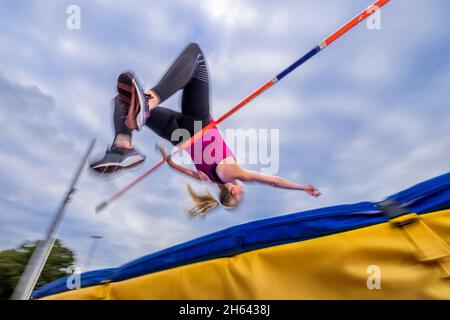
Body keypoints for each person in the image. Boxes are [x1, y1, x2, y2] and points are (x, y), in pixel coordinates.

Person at [90, 43, 321, 216]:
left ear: (233, 191)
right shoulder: (208, 179)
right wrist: (167, 159)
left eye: (240, 197)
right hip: (176, 136)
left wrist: (302, 187)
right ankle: (123, 146)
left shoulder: (233, 174)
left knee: (196, 55)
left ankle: (147, 104)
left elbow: (273, 181)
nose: (243, 193)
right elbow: (178, 169)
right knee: (123, 101)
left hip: (196, 124)